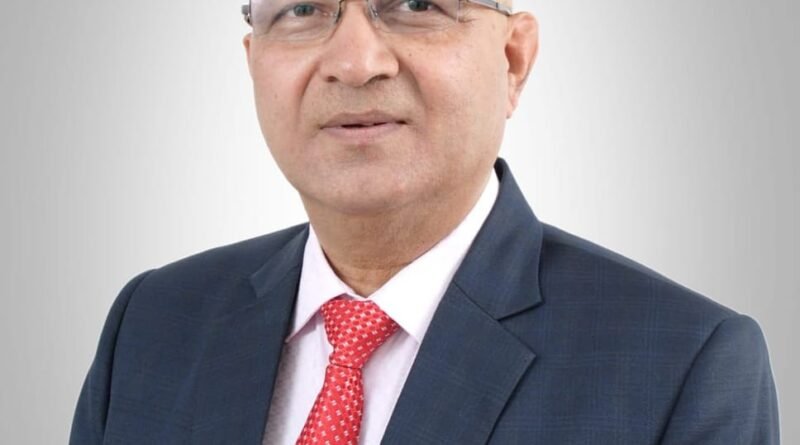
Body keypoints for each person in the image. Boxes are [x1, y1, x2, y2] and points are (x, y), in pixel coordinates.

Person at [70, 0, 780, 443]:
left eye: (414, 4)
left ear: (513, 61)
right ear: (254, 62)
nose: (354, 62)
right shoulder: (153, 322)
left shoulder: (683, 366)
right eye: (303, 10)